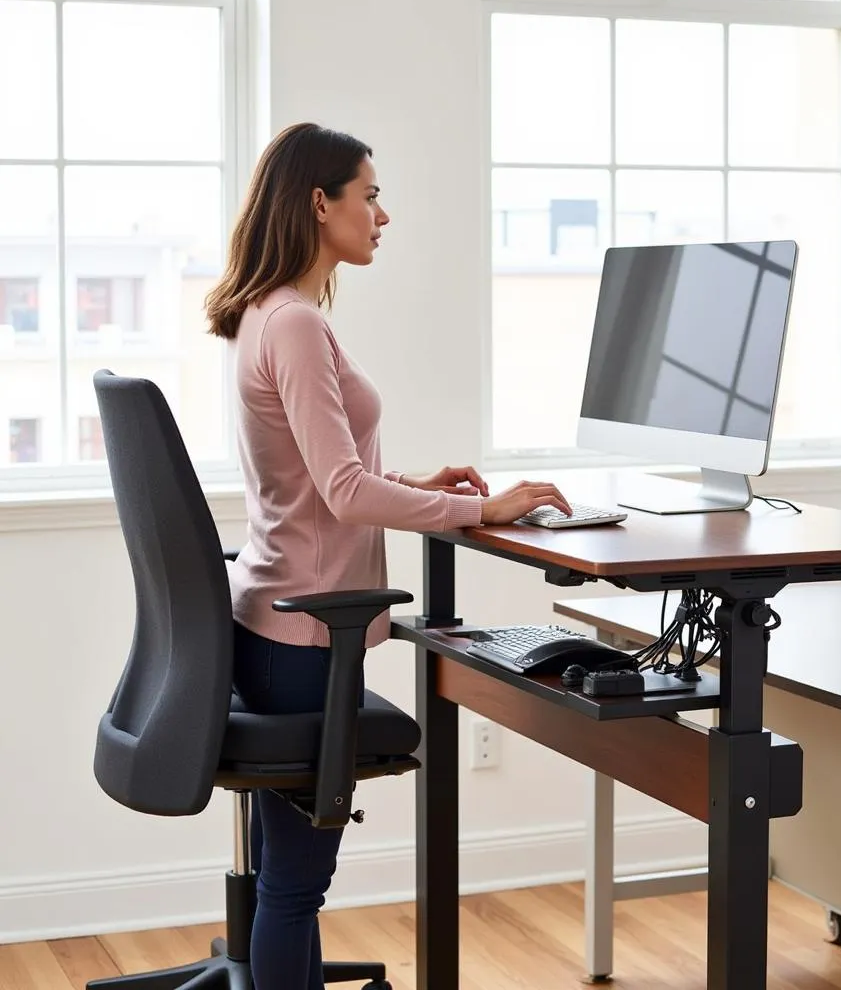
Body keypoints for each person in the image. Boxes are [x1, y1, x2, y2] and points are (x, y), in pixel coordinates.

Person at [204, 121, 571, 990]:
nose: (383, 214)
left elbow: (321, 477)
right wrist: (481, 507)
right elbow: (340, 493)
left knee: (282, 883)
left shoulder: (274, 315)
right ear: (317, 204)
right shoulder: (292, 324)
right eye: (369, 194)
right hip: (303, 644)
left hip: (268, 624)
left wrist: (411, 478)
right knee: (296, 888)